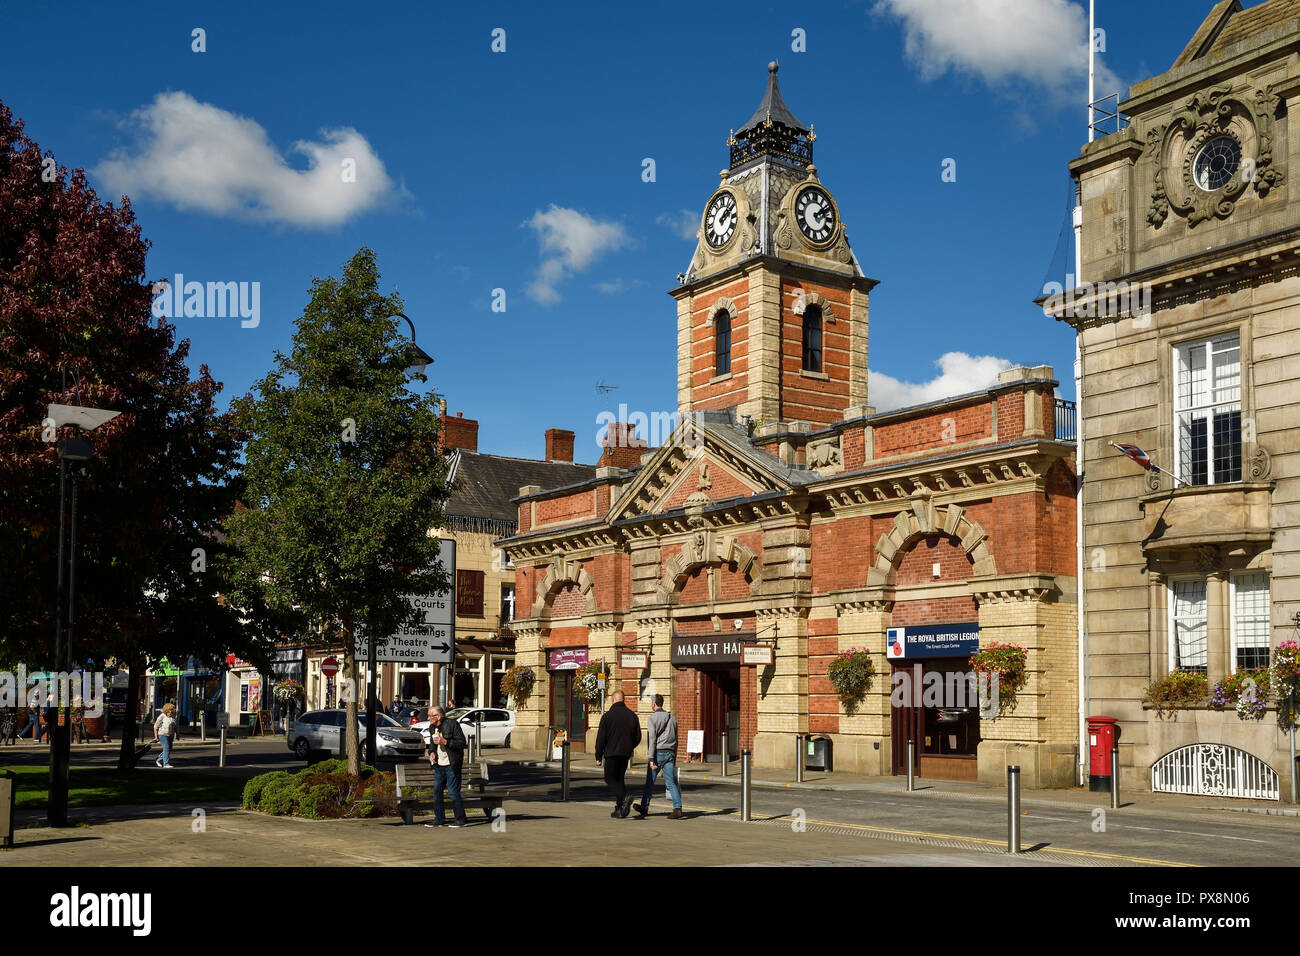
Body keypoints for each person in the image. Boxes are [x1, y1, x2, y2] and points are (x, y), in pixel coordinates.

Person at [633, 694, 683, 819]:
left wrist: (651, 759)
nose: (651, 704)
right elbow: (676, 739)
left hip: (657, 753)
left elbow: (652, 739)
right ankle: (678, 808)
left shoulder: (652, 718)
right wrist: (674, 756)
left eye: (651, 702)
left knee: (650, 782)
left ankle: (644, 807)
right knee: (671, 782)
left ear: (654, 703)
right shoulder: (672, 718)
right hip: (670, 753)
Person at [594, 690, 642, 818]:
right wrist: (630, 746)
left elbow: (601, 738)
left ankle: (624, 797)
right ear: (623, 699)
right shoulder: (632, 716)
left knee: (609, 778)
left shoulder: (607, 716)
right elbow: (638, 736)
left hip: (611, 753)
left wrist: (598, 756)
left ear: (613, 699)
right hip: (625, 754)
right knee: (619, 779)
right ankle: (620, 809)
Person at [423, 705, 468, 829]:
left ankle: (460, 819)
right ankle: (439, 819)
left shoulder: (452, 724)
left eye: (430, 716)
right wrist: (431, 753)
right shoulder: (432, 727)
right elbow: (432, 744)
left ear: (438, 716)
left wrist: (446, 742)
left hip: (452, 764)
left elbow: (462, 743)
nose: (428, 718)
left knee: (453, 793)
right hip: (439, 765)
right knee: (437, 792)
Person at [153, 702, 178, 768]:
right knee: (166, 748)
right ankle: (166, 764)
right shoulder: (162, 716)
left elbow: (175, 726)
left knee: (169, 749)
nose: (172, 711)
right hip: (162, 735)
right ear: (167, 710)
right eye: (171, 710)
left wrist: (177, 734)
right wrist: (156, 737)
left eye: (173, 710)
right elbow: (156, 726)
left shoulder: (173, 716)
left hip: (170, 735)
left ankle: (158, 759)